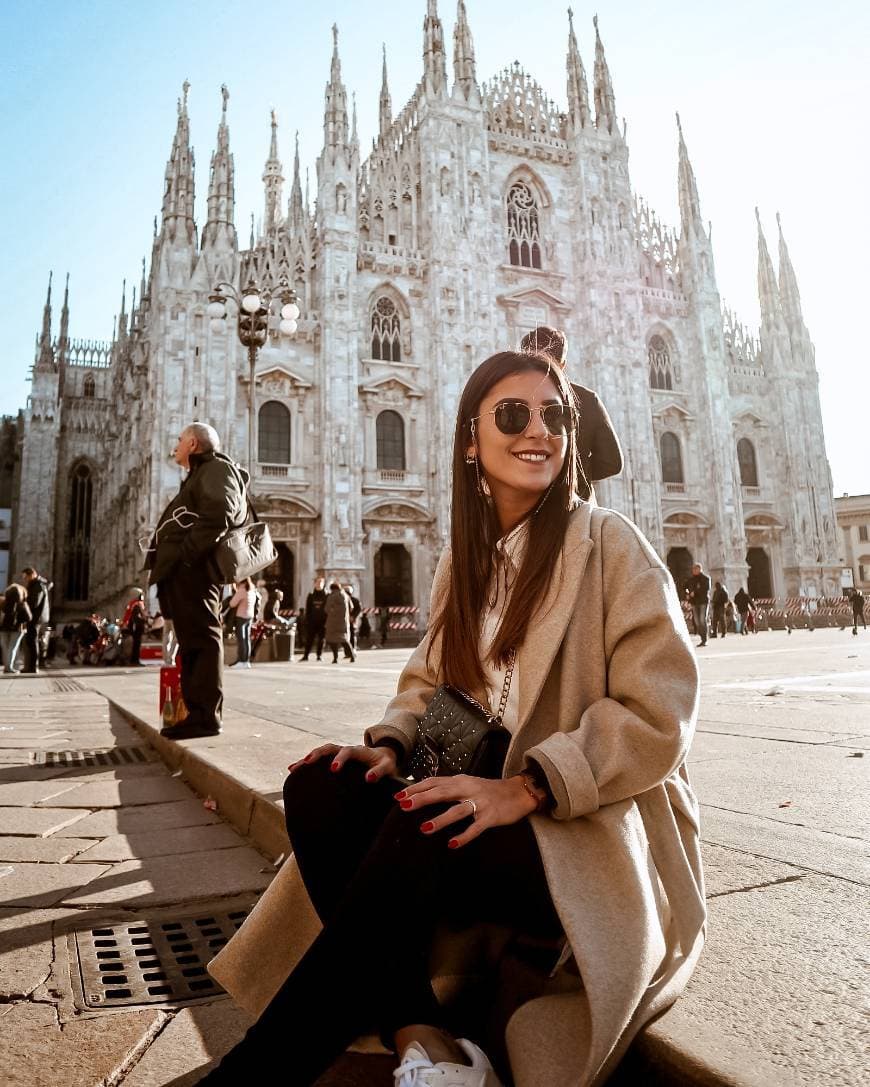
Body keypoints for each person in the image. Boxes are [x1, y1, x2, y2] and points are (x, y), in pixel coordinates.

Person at [202, 350, 704, 1087]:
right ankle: (425, 1034)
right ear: (472, 437)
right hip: (482, 804)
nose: (539, 430)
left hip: (586, 826)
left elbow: (660, 710)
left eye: (554, 415)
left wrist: (528, 786)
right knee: (322, 785)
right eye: (512, 414)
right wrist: (393, 743)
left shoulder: (609, 543)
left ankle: (259, 1070)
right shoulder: (465, 562)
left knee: (422, 820)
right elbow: (435, 683)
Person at [146, 423, 247, 739]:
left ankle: (205, 716)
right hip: (183, 574)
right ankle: (195, 713)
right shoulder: (201, 474)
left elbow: (220, 512)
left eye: (178, 440)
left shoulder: (217, 469)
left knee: (202, 640)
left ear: (192, 443)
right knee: (191, 643)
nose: (174, 446)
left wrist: (187, 558)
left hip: (195, 572)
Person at [520, 325, 622, 500]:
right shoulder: (588, 399)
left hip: (526, 504)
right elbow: (612, 462)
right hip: (576, 504)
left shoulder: (512, 401)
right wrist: (576, 471)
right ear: (563, 364)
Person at [21, 567, 51, 674]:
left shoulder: (38, 585)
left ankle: (33, 667)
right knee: (31, 641)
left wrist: (24, 604)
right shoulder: (37, 584)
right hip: (36, 617)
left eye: (26, 577)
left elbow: (35, 603)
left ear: (32, 574)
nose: (25, 580)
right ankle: (30, 666)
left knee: (32, 641)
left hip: (36, 618)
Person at [228, 577, 259, 669]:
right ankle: (246, 660)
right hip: (249, 616)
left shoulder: (242, 590)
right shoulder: (252, 590)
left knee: (241, 639)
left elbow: (232, 603)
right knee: (246, 640)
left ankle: (242, 660)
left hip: (241, 616)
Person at [0, 583, 31, 673]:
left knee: (5, 647)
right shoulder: (22, 604)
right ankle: (9, 667)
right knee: (12, 647)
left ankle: (6, 666)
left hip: (3, 628)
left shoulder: (2, 602)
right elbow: (29, 617)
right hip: (17, 628)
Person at [324, 581, 356, 663]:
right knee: (345, 640)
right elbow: (352, 607)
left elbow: (327, 609)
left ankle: (335, 658)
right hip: (344, 622)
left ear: (332, 589)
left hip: (332, 623)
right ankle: (352, 656)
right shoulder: (346, 595)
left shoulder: (332, 596)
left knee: (332, 641)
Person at [301, 577, 327, 661]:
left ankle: (319, 655)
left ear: (323, 584)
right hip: (312, 621)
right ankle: (306, 655)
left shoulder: (327, 595)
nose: (319, 584)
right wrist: (307, 620)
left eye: (321, 582)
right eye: (318, 582)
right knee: (309, 639)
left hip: (323, 621)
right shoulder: (311, 595)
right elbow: (308, 609)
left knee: (321, 639)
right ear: (315, 583)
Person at [121, 588, 148, 665]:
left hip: (131, 626)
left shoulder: (132, 603)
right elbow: (136, 617)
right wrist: (144, 621)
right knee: (136, 645)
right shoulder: (137, 604)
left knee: (135, 644)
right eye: (141, 595)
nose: (142, 596)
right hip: (136, 627)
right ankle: (135, 661)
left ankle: (134, 660)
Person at [686, 562, 710, 646]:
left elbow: (706, 589)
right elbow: (686, 588)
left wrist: (694, 592)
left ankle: (704, 639)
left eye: (695, 569)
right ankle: (702, 637)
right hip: (694, 602)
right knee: (697, 622)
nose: (693, 570)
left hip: (703, 601)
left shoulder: (706, 578)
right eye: (693, 569)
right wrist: (688, 594)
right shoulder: (691, 579)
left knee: (702, 620)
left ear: (699, 569)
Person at [342, 583, 362, 655]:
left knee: (352, 635)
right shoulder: (343, 599)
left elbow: (358, 609)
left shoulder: (355, 600)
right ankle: (347, 652)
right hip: (345, 620)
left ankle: (353, 649)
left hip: (351, 620)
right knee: (346, 635)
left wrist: (353, 616)